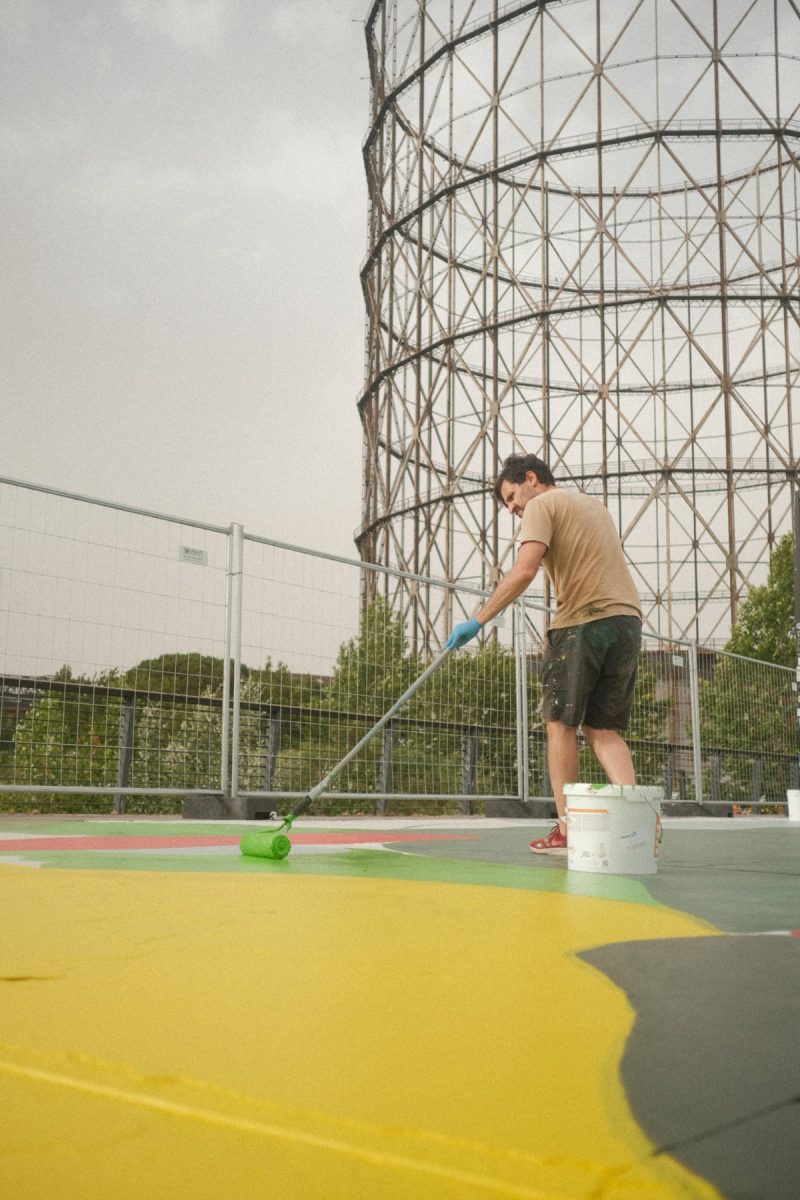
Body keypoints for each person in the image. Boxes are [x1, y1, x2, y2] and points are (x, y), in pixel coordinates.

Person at [444, 453, 642, 854]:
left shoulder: (543, 505)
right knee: (603, 730)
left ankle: (568, 830)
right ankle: (638, 823)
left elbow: (524, 570)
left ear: (531, 479)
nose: (513, 509)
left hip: (583, 621)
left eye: (512, 497)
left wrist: (478, 621)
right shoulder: (592, 505)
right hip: (627, 620)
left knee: (559, 723)